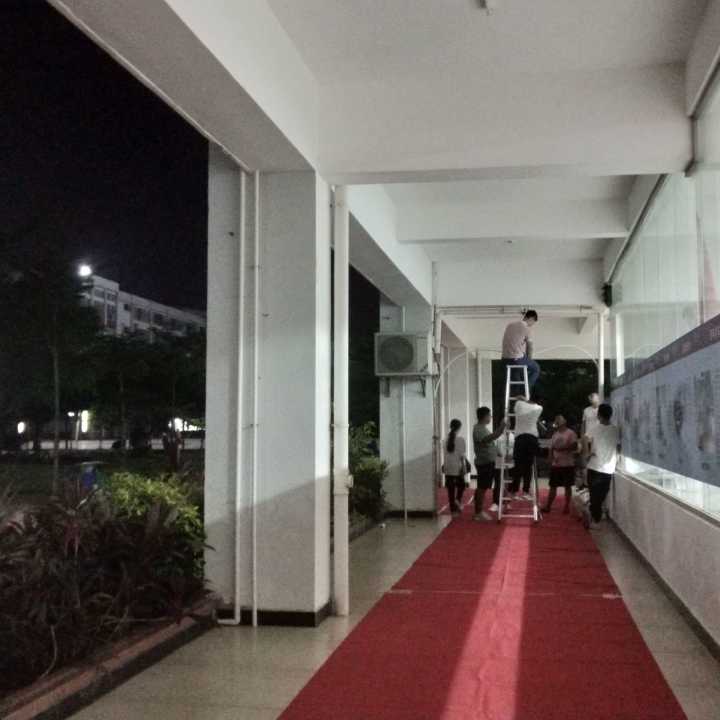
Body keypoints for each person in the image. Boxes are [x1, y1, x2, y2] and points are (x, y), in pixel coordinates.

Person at [582, 403, 620, 529]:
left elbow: (584, 438)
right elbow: (618, 446)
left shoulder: (594, 429)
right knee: (600, 495)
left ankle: (592, 516)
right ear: (611, 415)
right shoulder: (615, 430)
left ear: (598, 416)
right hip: (607, 469)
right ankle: (594, 518)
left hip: (594, 466)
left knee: (595, 495)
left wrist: (587, 453)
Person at [472, 407, 506, 522]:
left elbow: (490, 443)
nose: (490, 417)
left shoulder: (483, 428)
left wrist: (498, 453)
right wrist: (501, 428)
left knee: (483, 487)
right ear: (484, 416)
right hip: (484, 463)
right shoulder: (478, 428)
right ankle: (478, 513)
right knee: (482, 488)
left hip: (489, 462)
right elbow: (488, 439)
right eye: (489, 415)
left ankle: (478, 510)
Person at [509, 394, 543, 500]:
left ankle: (514, 491)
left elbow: (518, 404)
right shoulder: (539, 408)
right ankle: (525, 491)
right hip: (532, 438)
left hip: (520, 438)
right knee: (528, 466)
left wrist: (523, 399)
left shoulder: (519, 404)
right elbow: (531, 405)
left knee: (518, 465)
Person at [543, 414, 578, 514]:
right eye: (556, 421)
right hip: (556, 464)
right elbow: (551, 448)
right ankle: (548, 506)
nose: (557, 422)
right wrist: (550, 458)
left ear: (564, 422)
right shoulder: (555, 435)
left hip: (567, 464)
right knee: (553, 486)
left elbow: (574, 446)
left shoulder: (571, 433)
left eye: (559, 420)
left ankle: (566, 506)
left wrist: (563, 449)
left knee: (567, 486)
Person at [501, 310, 540, 388]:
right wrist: (529, 360)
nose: (532, 325)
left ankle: (518, 391)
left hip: (505, 359)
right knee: (536, 369)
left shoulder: (510, 325)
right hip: (516, 359)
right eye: (533, 323)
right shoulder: (527, 329)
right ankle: (526, 388)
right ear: (531, 318)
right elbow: (530, 347)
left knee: (517, 373)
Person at [443, 419, 467, 516]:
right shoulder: (461, 440)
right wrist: (464, 466)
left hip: (448, 466)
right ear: (459, 428)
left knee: (451, 489)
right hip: (457, 466)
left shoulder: (445, 440)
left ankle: (453, 510)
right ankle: (457, 500)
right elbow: (462, 456)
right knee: (462, 485)